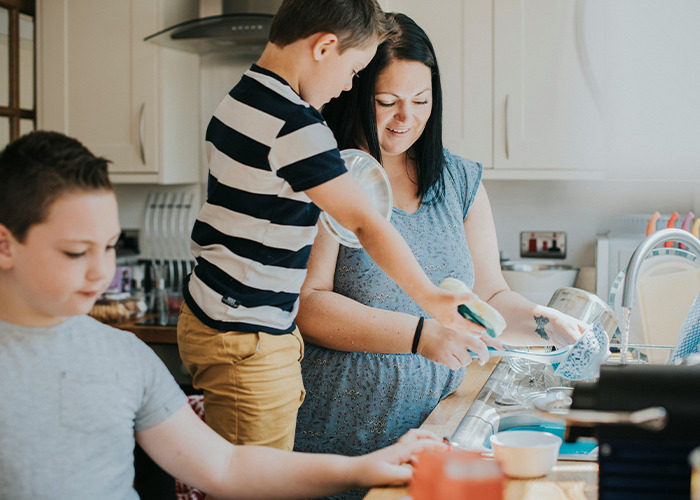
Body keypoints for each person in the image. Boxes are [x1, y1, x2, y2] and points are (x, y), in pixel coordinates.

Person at [0, 130, 446, 499]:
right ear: (6, 244)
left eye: (111, 246)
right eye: (76, 252)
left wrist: (363, 470)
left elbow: (226, 464)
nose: (102, 271)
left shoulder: (122, 355)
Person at [294, 13, 586, 497]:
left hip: (433, 431)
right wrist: (419, 335)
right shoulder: (334, 174)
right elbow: (310, 303)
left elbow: (490, 294)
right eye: (387, 102)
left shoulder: (459, 181)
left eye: (421, 101)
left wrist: (543, 323)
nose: (405, 118)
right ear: (355, 91)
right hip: (341, 435)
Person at [177, 0, 482, 455]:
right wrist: (431, 297)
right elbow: (364, 221)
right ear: (324, 47)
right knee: (257, 482)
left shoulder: (241, 98)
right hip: (249, 337)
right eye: (355, 70)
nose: (347, 87)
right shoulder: (297, 126)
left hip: (214, 319)